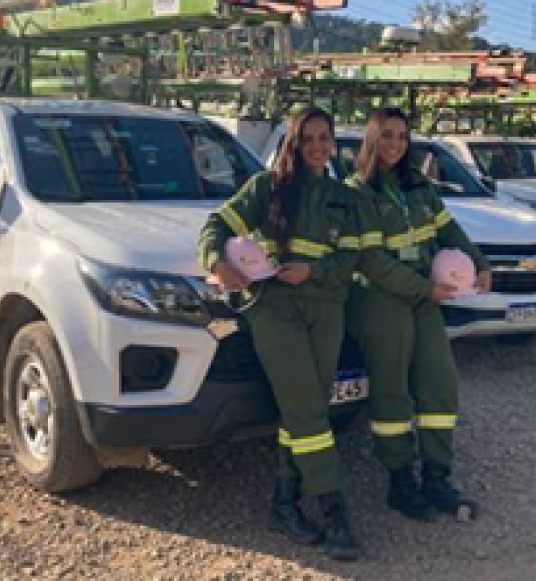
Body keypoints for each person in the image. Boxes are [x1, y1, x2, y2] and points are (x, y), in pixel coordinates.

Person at [197, 107, 363, 561]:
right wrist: (218, 263)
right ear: (292, 142)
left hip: (325, 309)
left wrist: (314, 269)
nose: (316, 146)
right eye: (306, 137)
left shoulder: (343, 197)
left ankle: (284, 504)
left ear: (333, 143)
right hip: (274, 309)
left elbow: (350, 262)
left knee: (303, 410)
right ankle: (335, 512)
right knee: (310, 411)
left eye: (323, 137)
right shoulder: (266, 188)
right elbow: (215, 226)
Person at [346, 107, 491, 522]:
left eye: (402, 137)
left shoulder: (419, 188)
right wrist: (425, 288)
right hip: (379, 299)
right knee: (392, 389)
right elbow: (372, 262)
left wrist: (479, 262)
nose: (396, 144)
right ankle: (399, 482)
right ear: (371, 140)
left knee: (439, 383)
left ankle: (437, 477)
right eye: (387, 135)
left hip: (422, 296)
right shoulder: (358, 192)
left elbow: (450, 231)